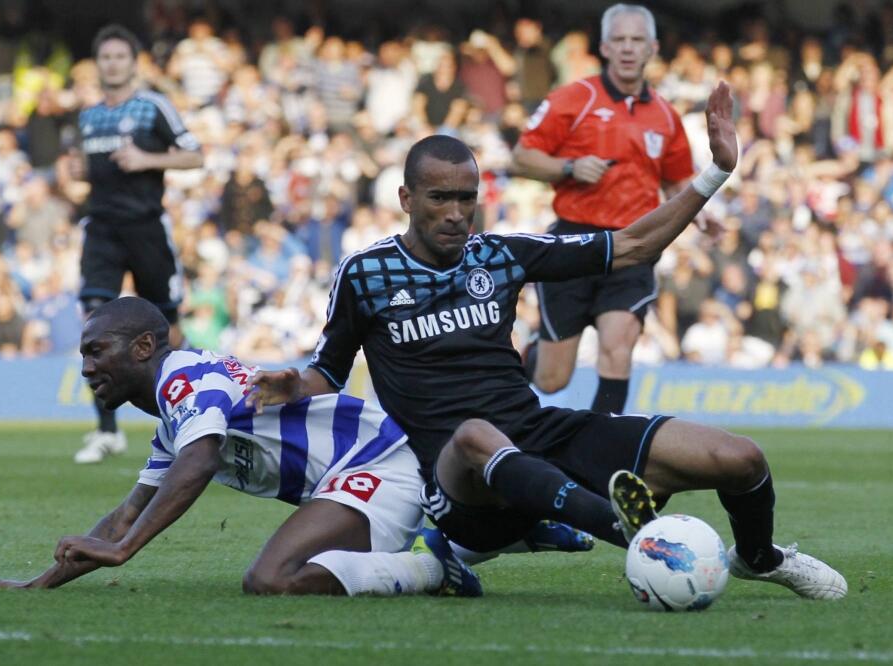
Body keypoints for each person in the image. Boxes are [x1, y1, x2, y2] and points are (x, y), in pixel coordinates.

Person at [248, 84, 847, 600]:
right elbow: (327, 368)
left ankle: (761, 557)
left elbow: (632, 246)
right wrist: (293, 384)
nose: (457, 214)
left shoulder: (501, 255)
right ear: (407, 200)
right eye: (440, 198)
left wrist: (715, 172)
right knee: (476, 434)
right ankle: (634, 533)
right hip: (457, 481)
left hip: (538, 437)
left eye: (466, 198)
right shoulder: (365, 273)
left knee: (737, 458)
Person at [0, 297, 481, 598]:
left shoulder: (189, 383)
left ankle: (433, 566)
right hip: (348, 478)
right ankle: (469, 543)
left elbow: (198, 462)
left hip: (375, 462)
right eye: (83, 355)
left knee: (270, 580)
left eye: (97, 351)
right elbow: (125, 516)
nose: (86, 369)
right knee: (274, 578)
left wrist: (124, 551)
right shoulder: (177, 418)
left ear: (144, 347)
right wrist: (36, 586)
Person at [511, 4, 700, 413]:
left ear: (652, 49)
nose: (628, 49)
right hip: (572, 243)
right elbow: (521, 156)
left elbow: (677, 178)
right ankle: (532, 352)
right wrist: (568, 166)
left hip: (634, 244)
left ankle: (599, 449)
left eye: (636, 41)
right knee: (552, 379)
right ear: (604, 48)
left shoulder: (667, 116)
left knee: (619, 348)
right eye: (619, 40)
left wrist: (699, 206)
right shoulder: (574, 99)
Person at [71, 25, 203, 464]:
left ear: (133, 62)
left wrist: (147, 159)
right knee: (94, 319)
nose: (112, 64)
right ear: (98, 64)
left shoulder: (152, 108)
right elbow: (84, 169)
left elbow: (195, 153)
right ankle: (107, 431)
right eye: (105, 57)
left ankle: (190, 418)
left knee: (167, 327)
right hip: (102, 229)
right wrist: (74, 172)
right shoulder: (88, 117)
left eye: (119, 57)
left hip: (146, 227)